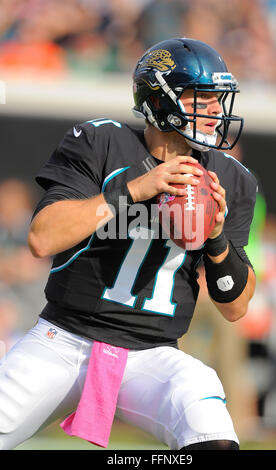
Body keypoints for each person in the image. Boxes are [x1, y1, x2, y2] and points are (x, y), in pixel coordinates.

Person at [0, 38, 257, 451]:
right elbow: (42, 238)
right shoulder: (102, 142)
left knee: (212, 434)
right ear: (160, 99)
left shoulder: (230, 177)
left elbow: (237, 307)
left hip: (153, 354)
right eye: (203, 97)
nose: (215, 111)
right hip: (65, 340)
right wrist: (134, 189)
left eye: (219, 99)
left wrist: (216, 237)